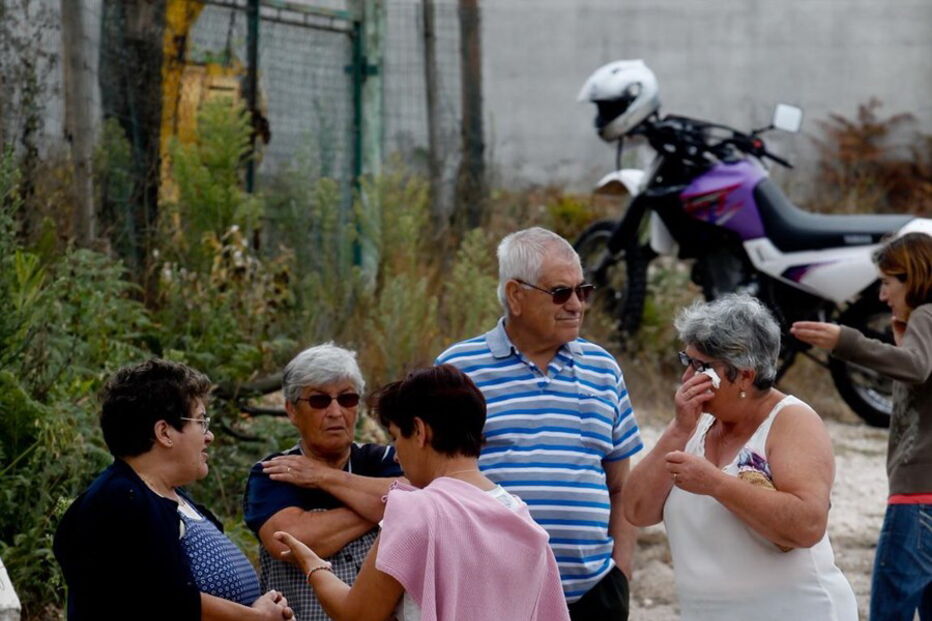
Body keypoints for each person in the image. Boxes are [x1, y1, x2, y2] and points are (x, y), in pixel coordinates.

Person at [435, 226, 642, 620]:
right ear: (516, 295)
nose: (577, 305)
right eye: (561, 292)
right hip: (494, 600)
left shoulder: (602, 369)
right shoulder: (458, 371)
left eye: (584, 291)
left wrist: (621, 574)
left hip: (594, 597)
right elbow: (432, 486)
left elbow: (620, 485)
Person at [274, 365, 570, 621]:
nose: (395, 456)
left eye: (395, 437)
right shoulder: (519, 516)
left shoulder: (416, 511)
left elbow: (357, 614)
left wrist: (312, 565)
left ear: (419, 431)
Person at [624, 294, 857, 620]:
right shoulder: (694, 422)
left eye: (701, 367)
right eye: (686, 361)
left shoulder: (791, 421)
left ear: (745, 375)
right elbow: (636, 510)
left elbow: (808, 525)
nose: (687, 378)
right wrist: (678, 430)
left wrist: (716, 483)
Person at [53, 359, 293, 621]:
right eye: (201, 422)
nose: (209, 436)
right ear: (164, 432)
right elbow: (161, 599)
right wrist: (256, 617)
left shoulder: (168, 498)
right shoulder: (118, 501)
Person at [792, 231, 932, 621]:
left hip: (918, 499)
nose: (883, 296)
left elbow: (918, 368)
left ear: (915, 277)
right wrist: (903, 342)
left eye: (887, 283)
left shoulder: (928, 314)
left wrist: (847, 342)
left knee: (890, 611)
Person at [244, 343, 402, 621]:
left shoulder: (387, 459)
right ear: (292, 411)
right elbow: (292, 540)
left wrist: (323, 477)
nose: (335, 411)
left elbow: (423, 497)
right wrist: (388, 508)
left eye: (347, 399)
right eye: (319, 401)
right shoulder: (274, 472)